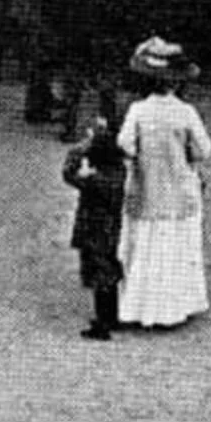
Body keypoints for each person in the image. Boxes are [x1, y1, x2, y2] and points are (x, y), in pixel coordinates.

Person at [115, 37, 211, 329]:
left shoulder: (138, 111)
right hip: (179, 189)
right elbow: (204, 150)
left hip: (146, 188)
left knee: (145, 245)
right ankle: (176, 306)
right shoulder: (185, 113)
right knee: (176, 246)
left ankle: (139, 306)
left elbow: (125, 144)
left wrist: (140, 155)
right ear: (177, 83)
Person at [62, 121, 128, 340]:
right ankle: (112, 316)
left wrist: (79, 149)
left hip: (92, 232)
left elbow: (69, 174)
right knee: (109, 272)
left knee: (98, 275)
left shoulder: (95, 181)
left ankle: (102, 324)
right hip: (111, 231)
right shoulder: (119, 175)